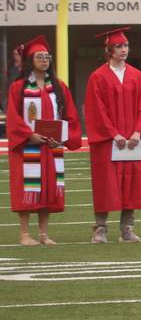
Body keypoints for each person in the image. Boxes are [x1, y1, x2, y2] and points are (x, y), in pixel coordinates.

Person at [6, 35, 82, 245]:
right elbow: (13, 116)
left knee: (47, 189)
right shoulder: (19, 87)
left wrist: (63, 137)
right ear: (30, 60)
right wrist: (29, 134)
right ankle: (24, 234)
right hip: (27, 147)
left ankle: (43, 234)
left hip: (50, 147)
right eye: (40, 56)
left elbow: (70, 115)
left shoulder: (58, 87)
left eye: (47, 56)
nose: (45, 60)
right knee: (28, 189)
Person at [85, 27, 141, 243]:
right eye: (118, 46)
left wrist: (137, 132)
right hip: (108, 142)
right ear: (109, 50)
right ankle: (100, 228)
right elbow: (96, 110)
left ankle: (127, 228)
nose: (123, 49)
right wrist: (113, 134)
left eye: (125, 45)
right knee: (106, 183)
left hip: (132, 141)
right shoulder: (98, 77)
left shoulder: (137, 76)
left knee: (131, 183)